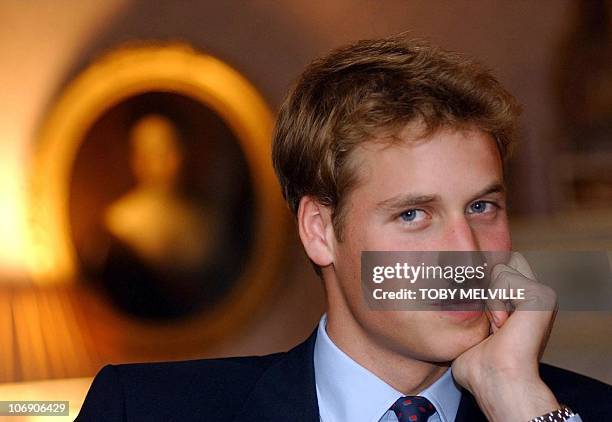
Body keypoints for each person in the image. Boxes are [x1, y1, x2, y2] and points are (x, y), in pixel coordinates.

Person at [76, 35, 612, 421]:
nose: (465, 253)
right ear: (320, 230)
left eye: (481, 208)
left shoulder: (570, 411)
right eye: (413, 215)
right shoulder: (145, 409)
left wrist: (518, 398)